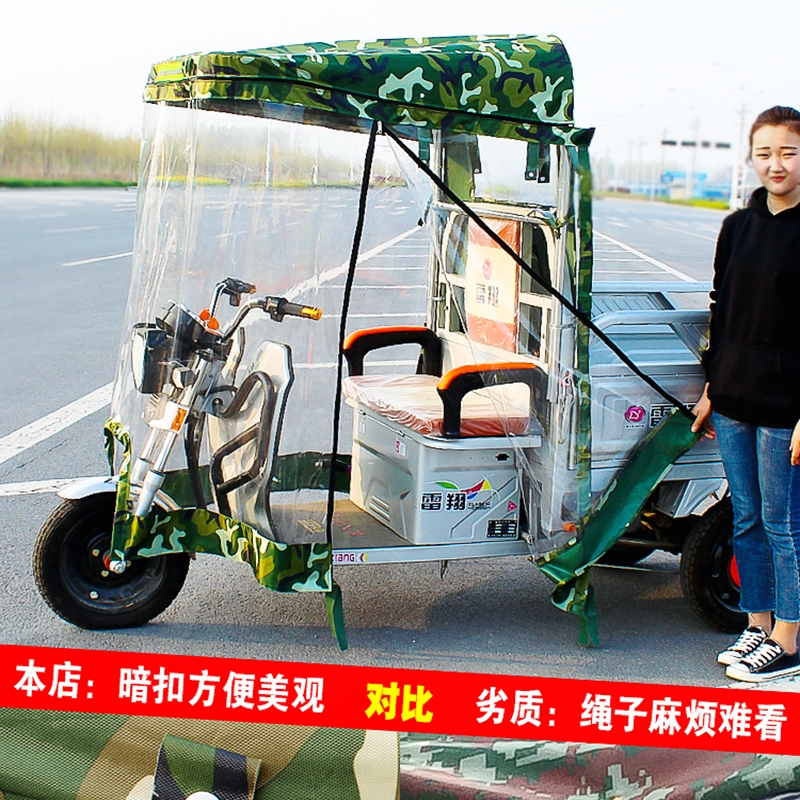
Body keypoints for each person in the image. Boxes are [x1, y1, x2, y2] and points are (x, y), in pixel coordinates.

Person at [692, 106, 800, 682]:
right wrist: (713, 385)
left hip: (787, 408)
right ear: (751, 158)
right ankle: (758, 625)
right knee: (748, 519)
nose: (775, 164)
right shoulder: (737, 227)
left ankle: (789, 640)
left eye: (787, 152)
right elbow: (723, 310)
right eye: (765, 153)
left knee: (785, 526)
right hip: (733, 401)